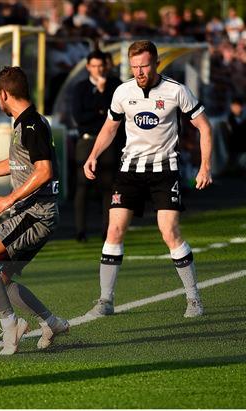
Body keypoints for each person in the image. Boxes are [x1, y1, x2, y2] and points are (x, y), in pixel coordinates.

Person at [83, 40, 213, 318]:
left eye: (143, 65)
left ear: (155, 63)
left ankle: (193, 299)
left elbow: (204, 126)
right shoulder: (122, 92)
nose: (139, 71)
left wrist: (205, 166)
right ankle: (105, 300)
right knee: (114, 230)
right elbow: (110, 127)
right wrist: (93, 154)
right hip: (130, 170)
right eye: (134, 66)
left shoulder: (176, 91)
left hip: (165, 171)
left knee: (169, 232)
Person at [0, 66, 69, 355]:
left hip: (34, 214)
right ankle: (51, 321)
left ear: (3, 94)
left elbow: (43, 171)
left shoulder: (31, 125)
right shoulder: (25, 123)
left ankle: (11, 324)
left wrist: (9, 198)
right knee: (0, 279)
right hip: (35, 214)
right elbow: (16, 165)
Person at [72, 50, 122, 241]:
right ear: (88, 67)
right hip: (86, 140)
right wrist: (100, 110)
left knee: (108, 186)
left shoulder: (115, 86)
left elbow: (116, 116)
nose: (98, 69)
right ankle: (80, 231)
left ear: (106, 66)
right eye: (94, 66)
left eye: (101, 66)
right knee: (82, 185)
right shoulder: (80, 88)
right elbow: (79, 117)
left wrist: (102, 96)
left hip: (109, 142)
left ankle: (107, 230)